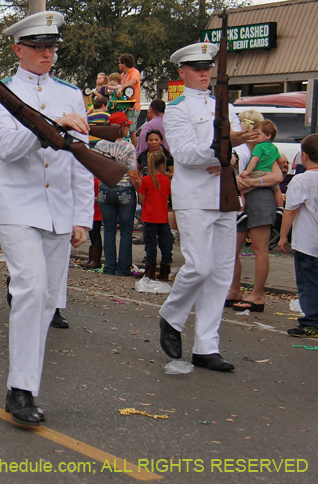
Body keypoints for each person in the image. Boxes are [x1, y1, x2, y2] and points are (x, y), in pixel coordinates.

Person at [0, 11, 92, 425]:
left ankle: (27, 383)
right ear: (19, 50)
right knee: (30, 288)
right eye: (39, 47)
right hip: (17, 206)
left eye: (52, 47)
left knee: (48, 301)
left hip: (60, 209)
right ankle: (21, 389)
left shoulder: (71, 94)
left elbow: (82, 162)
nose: (48, 53)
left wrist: (83, 216)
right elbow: (6, 150)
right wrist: (47, 126)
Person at [158, 42, 253, 372]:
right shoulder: (178, 108)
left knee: (221, 272)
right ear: (182, 72)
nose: (204, 73)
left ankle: (206, 346)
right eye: (197, 68)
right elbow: (183, 154)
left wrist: (233, 157)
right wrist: (220, 154)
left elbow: (243, 152)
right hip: (195, 197)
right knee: (198, 266)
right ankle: (172, 316)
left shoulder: (224, 106)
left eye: (207, 68)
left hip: (224, 196)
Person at [225, 110, 283, 310]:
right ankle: (234, 289)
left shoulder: (266, 150)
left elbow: (277, 177)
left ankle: (256, 295)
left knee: (259, 249)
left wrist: (252, 181)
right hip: (239, 201)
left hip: (259, 199)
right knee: (232, 248)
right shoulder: (237, 148)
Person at [278, 134, 318, 338]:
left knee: (308, 282)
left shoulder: (301, 180)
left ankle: (311, 321)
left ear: (303, 155)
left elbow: (291, 210)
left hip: (308, 241)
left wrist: (283, 235)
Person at [93, 112, 140, 276]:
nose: (128, 128)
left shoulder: (100, 145)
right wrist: (140, 191)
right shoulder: (128, 148)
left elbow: (96, 169)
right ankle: (124, 268)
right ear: (122, 127)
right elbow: (133, 174)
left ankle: (109, 267)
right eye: (127, 125)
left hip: (105, 190)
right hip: (125, 189)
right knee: (126, 231)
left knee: (108, 229)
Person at [138, 151, 172, 280]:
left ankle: (150, 272)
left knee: (150, 245)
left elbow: (141, 199)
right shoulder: (166, 180)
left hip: (149, 216)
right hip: (162, 216)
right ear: (162, 164)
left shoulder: (146, 180)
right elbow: (167, 195)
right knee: (166, 244)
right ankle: (164, 271)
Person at [239, 120, 285, 209]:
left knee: (241, 192)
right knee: (277, 190)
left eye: (258, 134)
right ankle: (280, 209)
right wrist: (281, 169)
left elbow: (254, 159)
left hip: (257, 172)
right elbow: (280, 161)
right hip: (269, 173)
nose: (255, 136)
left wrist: (247, 171)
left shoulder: (258, 147)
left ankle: (241, 211)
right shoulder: (274, 148)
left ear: (268, 136)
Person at [118, 53, 141, 126]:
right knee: (124, 130)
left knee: (131, 131)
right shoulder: (122, 75)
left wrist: (122, 87)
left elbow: (133, 81)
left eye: (119, 63)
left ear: (124, 64)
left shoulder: (134, 72)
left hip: (132, 105)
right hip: (124, 105)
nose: (119, 65)